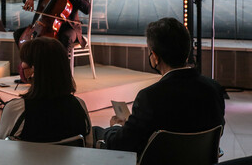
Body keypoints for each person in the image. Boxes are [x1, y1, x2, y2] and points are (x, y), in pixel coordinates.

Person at [93, 17, 225, 156]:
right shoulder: (214, 89)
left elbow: (121, 145)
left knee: (97, 132)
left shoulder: (149, 97)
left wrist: (117, 127)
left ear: (155, 57)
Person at [0, 37, 91, 143]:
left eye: (24, 61)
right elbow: (89, 145)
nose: (21, 66)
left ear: (33, 69)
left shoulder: (17, 109)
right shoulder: (79, 105)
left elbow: (0, 147)